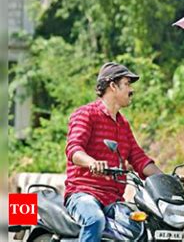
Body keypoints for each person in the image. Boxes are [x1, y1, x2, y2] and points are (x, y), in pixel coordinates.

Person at [64, 62, 164, 242]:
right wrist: (91, 162)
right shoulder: (86, 114)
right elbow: (74, 149)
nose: (131, 90)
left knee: (142, 228)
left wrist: (167, 180)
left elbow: (139, 159)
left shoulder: (123, 124)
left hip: (113, 199)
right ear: (112, 86)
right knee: (95, 220)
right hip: (83, 193)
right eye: (127, 84)